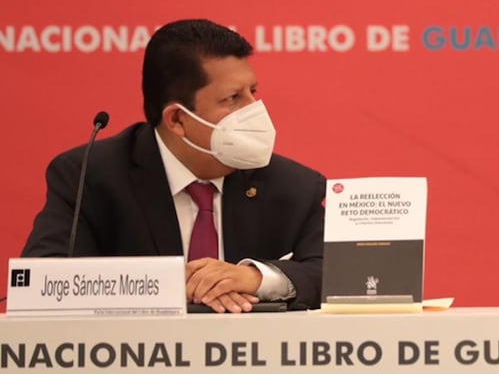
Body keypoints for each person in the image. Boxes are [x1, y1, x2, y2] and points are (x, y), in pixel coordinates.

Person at [22, 19, 326, 312]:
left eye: (253, 92)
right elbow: (43, 281)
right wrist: (166, 287)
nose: (254, 111)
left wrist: (257, 278)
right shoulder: (91, 176)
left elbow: (339, 274)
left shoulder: (293, 187)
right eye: (233, 98)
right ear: (177, 120)